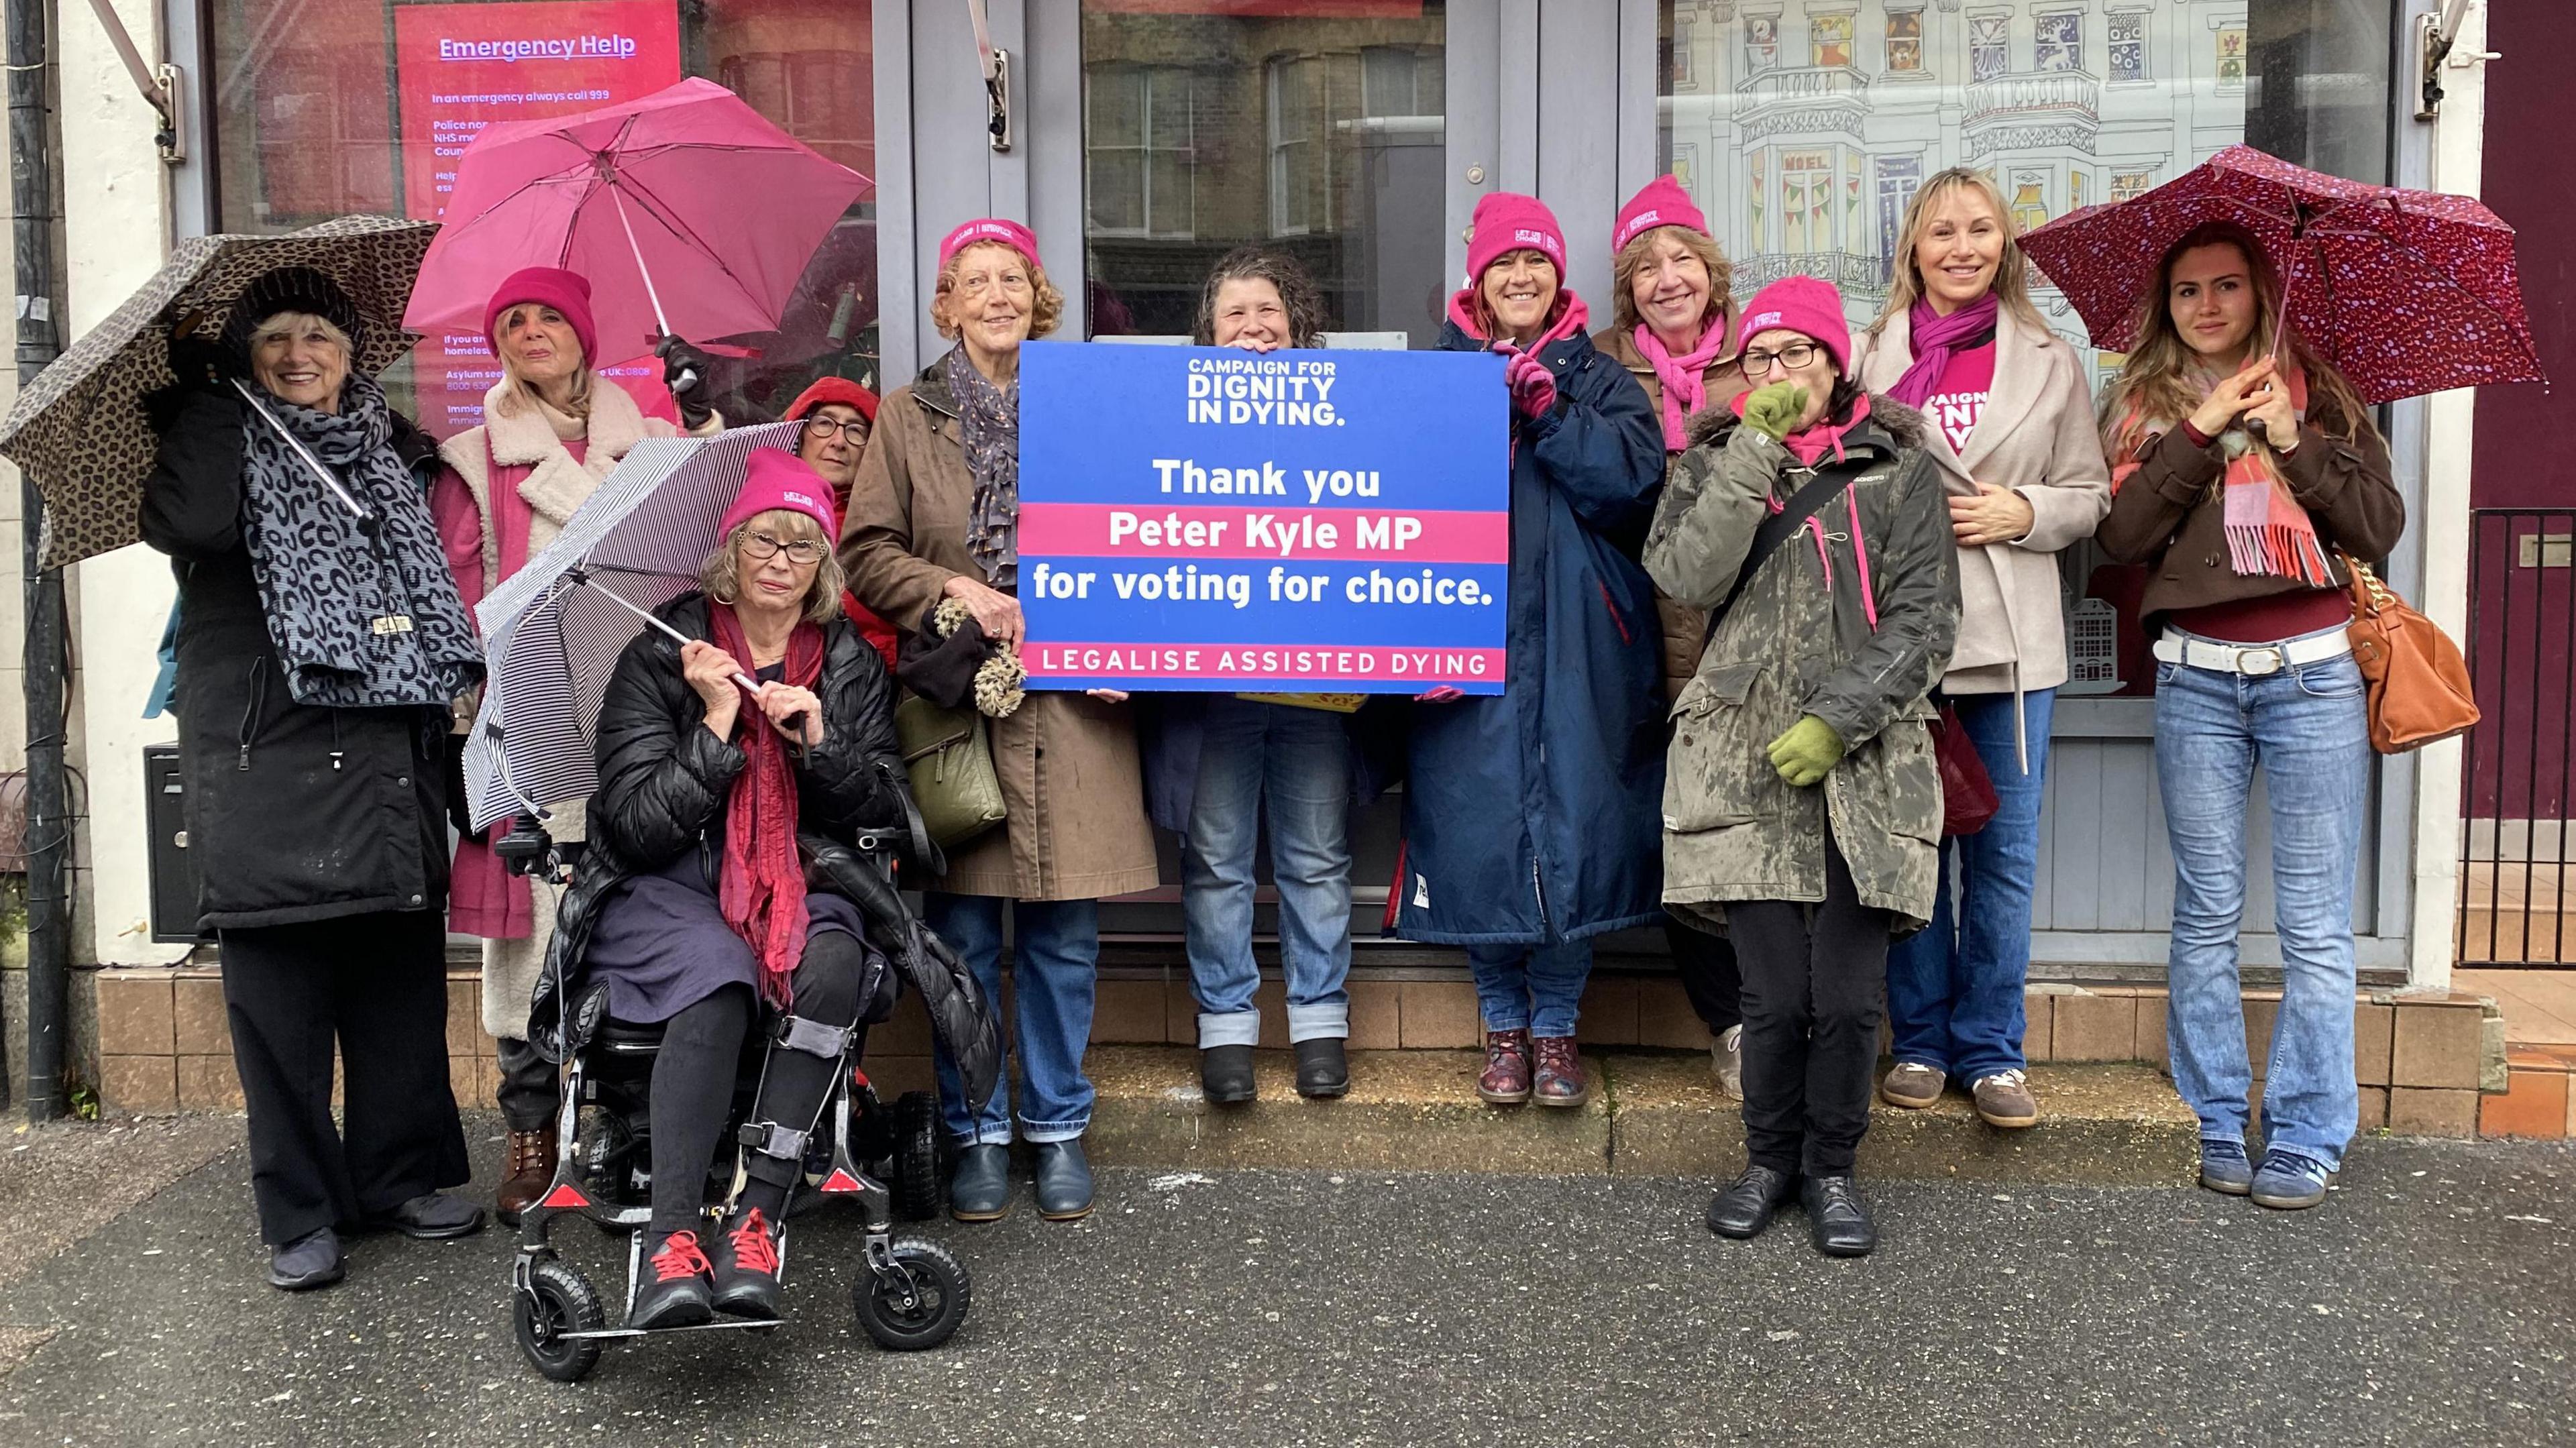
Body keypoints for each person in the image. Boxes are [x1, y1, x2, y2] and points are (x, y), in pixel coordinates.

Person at [139, 267, 486, 1290]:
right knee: (279, 1003)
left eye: (319, 337)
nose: (300, 355)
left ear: (351, 354)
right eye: (275, 339)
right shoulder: (220, 443)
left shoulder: (390, 452)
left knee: (396, 980)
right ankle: (298, 1207)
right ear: (244, 357)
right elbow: (190, 527)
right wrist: (203, 395)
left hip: (387, 751)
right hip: (266, 755)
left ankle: (399, 1175)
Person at [543, 452, 909, 1327]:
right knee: (715, 970)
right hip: (665, 883)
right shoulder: (660, 655)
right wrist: (713, 725)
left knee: (827, 963)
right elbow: (633, 823)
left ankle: (757, 1214)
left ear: (824, 565)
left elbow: (887, 803)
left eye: (804, 543)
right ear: (730, 549)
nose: (782, 557)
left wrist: (821, 742)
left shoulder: (845, 663)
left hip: (803, 872)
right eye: (764, 537)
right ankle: (674, 1237)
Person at [842, 217, 1159, 1223]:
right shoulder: (908, 412)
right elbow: (865, 551)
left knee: (1065, 933)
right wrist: (954, 588)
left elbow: (1152, 529)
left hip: (1075, 705)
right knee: (966, 937)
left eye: (1011, 280)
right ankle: (977, 1127)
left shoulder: (1089, 404)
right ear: (946, 304)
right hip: (958, 706)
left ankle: (1059, 1124)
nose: (995, 297)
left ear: (1038, 295)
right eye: (975, 282)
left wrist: (1128, 646)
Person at [1646, 276, 1958, 1258]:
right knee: (1772, 992)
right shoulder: (1710, 461)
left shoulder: (1901, 470)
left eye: (1798, 356)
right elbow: (1686, 578)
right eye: (1760, 358)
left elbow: (1926, 616)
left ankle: (1833, 1168)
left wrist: (1839, 717)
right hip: (1743, 760)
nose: (1778, 373)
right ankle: (1768, 1158)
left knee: (1849, 992)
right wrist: (1751, 452)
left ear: (1836, 365)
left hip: (1866, 760)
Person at [2095, 222, 2403, 1212]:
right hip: (2195, 678)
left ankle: (2309, 1130)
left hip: (2313, 676)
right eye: (2188, 291)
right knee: (2208, 910)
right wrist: (2201, 431)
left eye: (2228, 286)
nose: (2209, 306)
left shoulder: (2323, 395)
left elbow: (2379, 526)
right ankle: (2215, 1112)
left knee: (2316, 923)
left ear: (2262, 294)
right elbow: (2124, 534)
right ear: (2167, 307)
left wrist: (2287, 438)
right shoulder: (2145, 408)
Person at [429, 266, 720, 1227]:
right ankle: (532, 1130)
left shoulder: (659, 440)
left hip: (644, 720)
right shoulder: (474, 458)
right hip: (540, 719)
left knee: (647, 919)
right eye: (511, 320)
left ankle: (639, 1129)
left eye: (550, 315)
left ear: (587, 334)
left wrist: (703, 424)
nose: (531, 331)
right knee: (531, 941)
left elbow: (719, 557)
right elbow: (462, 600)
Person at [1850, 168, 2112, 1129]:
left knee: (2001, 854)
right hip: (1902, 643)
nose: (1962, 247)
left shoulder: (2048, 359)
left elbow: (2090, 492)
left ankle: (1994, 1047)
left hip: (2011, 645)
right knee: (1911, 851)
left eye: (1981, 230)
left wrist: (2025, 507)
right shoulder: (1867, 356)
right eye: (1941, 231)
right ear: (1911, 248)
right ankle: (1918, 1039)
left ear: (2006, 245)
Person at [1404, 192, 1666, 1109]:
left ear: (1560, 275)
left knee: (1569, 826)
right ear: (1477, 276)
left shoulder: (1600, 378)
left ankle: (1557, 1028)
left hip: (1577, 645)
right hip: (1461, 644)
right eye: (1504, 263)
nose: (1521, 276)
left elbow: (1633, 486)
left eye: (1537, 262)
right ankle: (1502, 1027)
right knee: (1480, 827)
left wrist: (1553, 416)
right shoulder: (1435, 376)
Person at [1141, 247, 1371, 1104]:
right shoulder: (1174, 415)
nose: (1252, 327)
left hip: (1314, 684)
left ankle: (1319, 1022)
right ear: (1208, 332)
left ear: (1296, 320)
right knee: (1218, 862)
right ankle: (1227, 1030)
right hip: (1215, 690)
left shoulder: (1347, 407)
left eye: (1266, 311)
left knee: (1316, 858)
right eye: (1233, 314)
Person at [1593, 174, 1754, 1098]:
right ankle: (1725, 1020)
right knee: (1679, 837)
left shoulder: (1762, 359)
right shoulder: (1601, 360)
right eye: (1646, 265)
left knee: (1747, 833)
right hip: (1636, 634)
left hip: (1741, 638)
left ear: (1711, 267)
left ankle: (1766, 1011)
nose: (1666, 278)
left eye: (1681, 258)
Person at [780, 375, 900, 669]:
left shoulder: (890, 523)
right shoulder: (765, 519)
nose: (838, 442)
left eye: (856, 430)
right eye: (824, 423)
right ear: (798, 433)